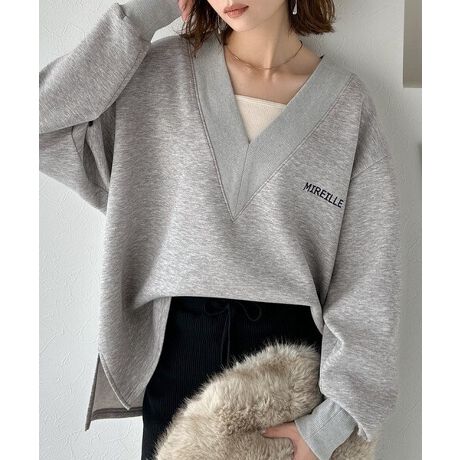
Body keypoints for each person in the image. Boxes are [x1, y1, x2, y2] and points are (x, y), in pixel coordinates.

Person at [39, 1, 402, 460]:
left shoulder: (346, 106)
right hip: (178, 357)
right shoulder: (156, 74)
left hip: (289, 376)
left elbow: (368, 282)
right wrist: (144, 14)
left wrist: (329, 426)